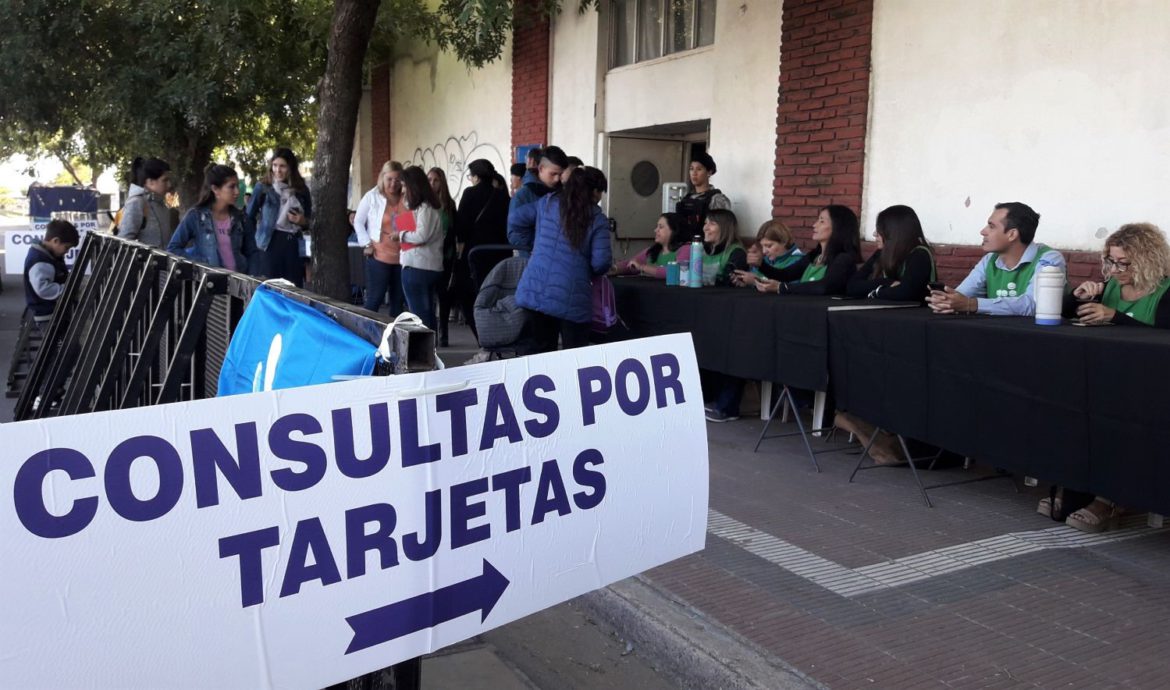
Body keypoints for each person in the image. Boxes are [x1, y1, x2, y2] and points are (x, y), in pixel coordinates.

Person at [513, 166, 613, 351]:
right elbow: (601, 262)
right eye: (600, 192)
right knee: (573, 358)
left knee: (538, 356)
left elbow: (516, 219)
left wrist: (537, 247)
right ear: (593, 191)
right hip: (572, 296)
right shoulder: (597, 220)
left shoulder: (547, 203)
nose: (600, 197)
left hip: (534, 291)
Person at [928, 202, 1065, 315]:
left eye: (991, 226)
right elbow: (962, 295)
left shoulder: (1049, 259)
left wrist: (971, 304)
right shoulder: (990, 259)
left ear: (1012, 234)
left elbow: (1035, 305)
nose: (983, 231)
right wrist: (947, 301)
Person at [1065, 223, 1170, 328]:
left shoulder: (1165, 291)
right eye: (1111, 261)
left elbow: (1161, 337)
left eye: (1123, 263)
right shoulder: (1110, 286)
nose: (1113, 270)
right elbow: (1065, 315)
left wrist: (1115, 317)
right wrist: (1076, 297)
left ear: (1147, 262)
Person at [451, 159, 510, 339]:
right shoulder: (503, 196)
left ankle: (482, 338)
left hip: (475, 255)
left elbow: (460, 227)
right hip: (500, 255)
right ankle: (498, 337)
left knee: (470, 297)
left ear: (476, 176)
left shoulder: (469, 194)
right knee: (495, 298)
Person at [750, 205, 862, 295]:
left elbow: (824, 287)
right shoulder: (814, 255)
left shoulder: (844, 259)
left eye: (821, 221)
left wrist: (782, 287)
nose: (814, 225)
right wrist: (761, 264)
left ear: (838, 227)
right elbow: (786, 274)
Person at [247, 147, 312, 286]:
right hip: (269, 242)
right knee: (270, 288)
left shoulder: (301, 189)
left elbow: (310, 220)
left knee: (293, 289)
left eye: (282, 166)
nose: (278, 170)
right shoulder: (263, 187)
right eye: (275, 165)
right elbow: (248, 217)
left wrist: (302, 221)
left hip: (293, 244)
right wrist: (253, 243)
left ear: (290, 168)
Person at [846, 205, 936, 302]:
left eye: (880, 230)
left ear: (894, 232)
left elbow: (906, 293)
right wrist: (887, 283)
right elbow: (852, 286)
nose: (875, 234)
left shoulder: (919, 254)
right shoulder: (881, 253)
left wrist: (876, 292)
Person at [167, 164, 249, 271]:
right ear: (215, 189)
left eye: (237, 186)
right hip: (209, 283)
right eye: (231, 186)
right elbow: (173, 248)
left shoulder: (240, 217)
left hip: (239, 282)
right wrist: (201, 264)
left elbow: (252, 251)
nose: (237, 191)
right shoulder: (196, 216)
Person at [394, 166, 445, 332]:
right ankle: (431, 350)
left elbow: (422, 235)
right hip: (427, 267)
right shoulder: (427, 207)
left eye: (405, 186)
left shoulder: (425, 208)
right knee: (427, 313)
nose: (403, 190)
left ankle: (426, 352)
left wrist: (401, 235)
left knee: (419, 315)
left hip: (418, 267)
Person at [354, 161, 407, 316]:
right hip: (379, 256)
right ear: (382, 178)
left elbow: (409, 226)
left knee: (398, 304)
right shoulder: (372, 196)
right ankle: (366, 336)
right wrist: (366, 243)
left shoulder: (405, 197)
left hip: (402, 257)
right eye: (389, 179)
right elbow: (358, 221)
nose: (393, 184)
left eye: (397, 180)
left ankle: (394, 338)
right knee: (374, 299)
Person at [508, 145, 568, 250]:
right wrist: (544, 242)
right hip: (531, 258)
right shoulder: (523, 195)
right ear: (541, 168)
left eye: (561, 174)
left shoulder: (563, 193)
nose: (557, 179)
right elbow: (514, 236)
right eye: (553, 174)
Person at [24, 219, 79, 321]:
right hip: (47, 313)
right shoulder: (39, 260)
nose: (67, 252)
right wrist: (69, 290)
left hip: (52, 310)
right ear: (55, 241)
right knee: (59, 337)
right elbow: (43, 289)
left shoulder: (50, 255)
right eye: (66, 247)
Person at [428, 166, 459, 346]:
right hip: (429, 257)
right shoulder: (423, 203)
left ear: (442, 182)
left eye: (436, 180)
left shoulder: (449, 205)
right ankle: (432, 332)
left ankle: (444, 333)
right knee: (429, 298)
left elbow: (454, 230)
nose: (432, 184)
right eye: (430, 180)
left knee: (444, 296)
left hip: (445, 256)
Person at [118, 157, 174, 248]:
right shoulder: (137, 203)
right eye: (165, 180)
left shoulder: (161, 204)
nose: (169, 185)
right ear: (150, 182)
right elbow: (124, 242)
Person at [731, 220, 804, 288]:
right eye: (762, 246)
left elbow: (791, 288)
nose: (764, 251)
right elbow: (752, 278)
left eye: (769, 246)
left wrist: (755, 281)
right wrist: (744, 282)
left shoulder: (798, 261)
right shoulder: (764, 260)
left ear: (784, 242)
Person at [619, 212, 692, 278]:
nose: (656, 230)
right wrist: (614, 268)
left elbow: (676, 272)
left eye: (660, 227)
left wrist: (642, 267)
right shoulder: (652, 251)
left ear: (674, 230)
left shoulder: (686, 248)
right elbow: (631, 264)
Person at [676, 152, 730, 238]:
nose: (694, 173)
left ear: (709, 172)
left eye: (699, 169)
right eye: (691, 169)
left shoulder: (717, 199)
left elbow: (722, 230)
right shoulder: (686, 198)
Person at [697, 209, 748, 286]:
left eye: (712, 223)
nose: (705, 228)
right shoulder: (700, 249)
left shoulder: (737, 253)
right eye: (705, 223)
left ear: (725, 228)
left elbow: (729, 283)